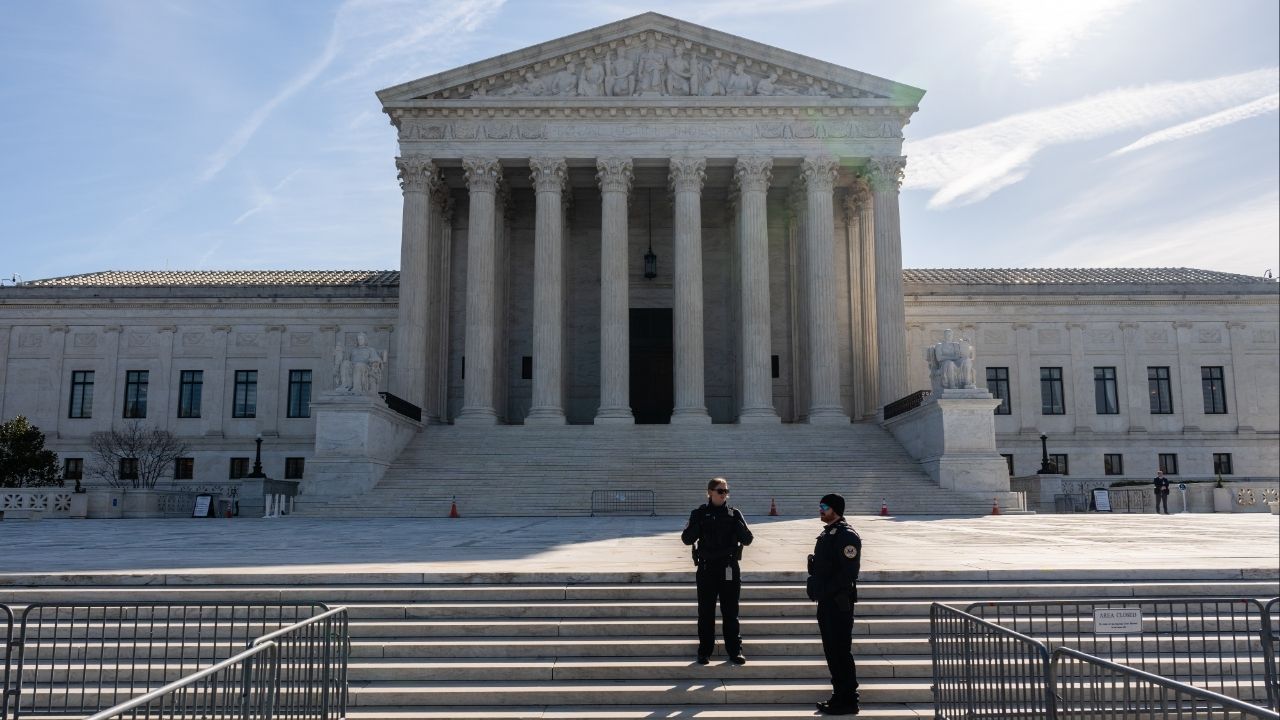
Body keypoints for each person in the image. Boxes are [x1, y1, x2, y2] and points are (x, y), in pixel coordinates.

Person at [681, 477, 753, 665]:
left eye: (726, 491)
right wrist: (701, 524)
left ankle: (735, 651)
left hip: (728, 568)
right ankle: (704, 651)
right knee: (706, 613)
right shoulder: (699, 514)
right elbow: (686, 539)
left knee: (731, 612)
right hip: (707, 569)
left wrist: (736, 525)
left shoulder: (734, 514)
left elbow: (748, 539)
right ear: (710, 492)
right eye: (720, 491)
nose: (724, 494)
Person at [807, 493, 861, 715]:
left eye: (824, 506)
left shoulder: (846, 536)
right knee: (832, 650)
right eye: (820, 505)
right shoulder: (828, 533)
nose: (820, 510)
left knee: (840, 650)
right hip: (828, 602)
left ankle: (849, 699)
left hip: (838, 603)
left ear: (835, 509)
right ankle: (839, 695)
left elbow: (848, 573)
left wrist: (823, 590)